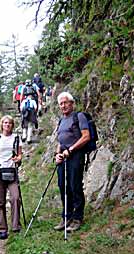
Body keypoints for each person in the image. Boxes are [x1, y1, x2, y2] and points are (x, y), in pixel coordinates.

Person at [54, 92, 90, 232]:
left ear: (71, 103)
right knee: (63, 186)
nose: (63, 106)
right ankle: (66, 217)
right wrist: (57, 155)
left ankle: (77, 218)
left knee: (75, 185)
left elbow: (86, 136)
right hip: (63, 157)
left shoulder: (79, 116)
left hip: (75, 156)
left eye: (65, 102)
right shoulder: (61, 121)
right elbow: (60, 140)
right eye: (61, 104)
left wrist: (71, 149)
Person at [0, 115, 23, 240]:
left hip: (12, 171)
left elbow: (20, 155)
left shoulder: (16, 138)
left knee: (16, 198)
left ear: (12, 125)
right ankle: (2, 229)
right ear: (1, 124)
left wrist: (18, 159)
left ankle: (16, 226)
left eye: (9, 123)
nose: (7, 125)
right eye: (5, 123)